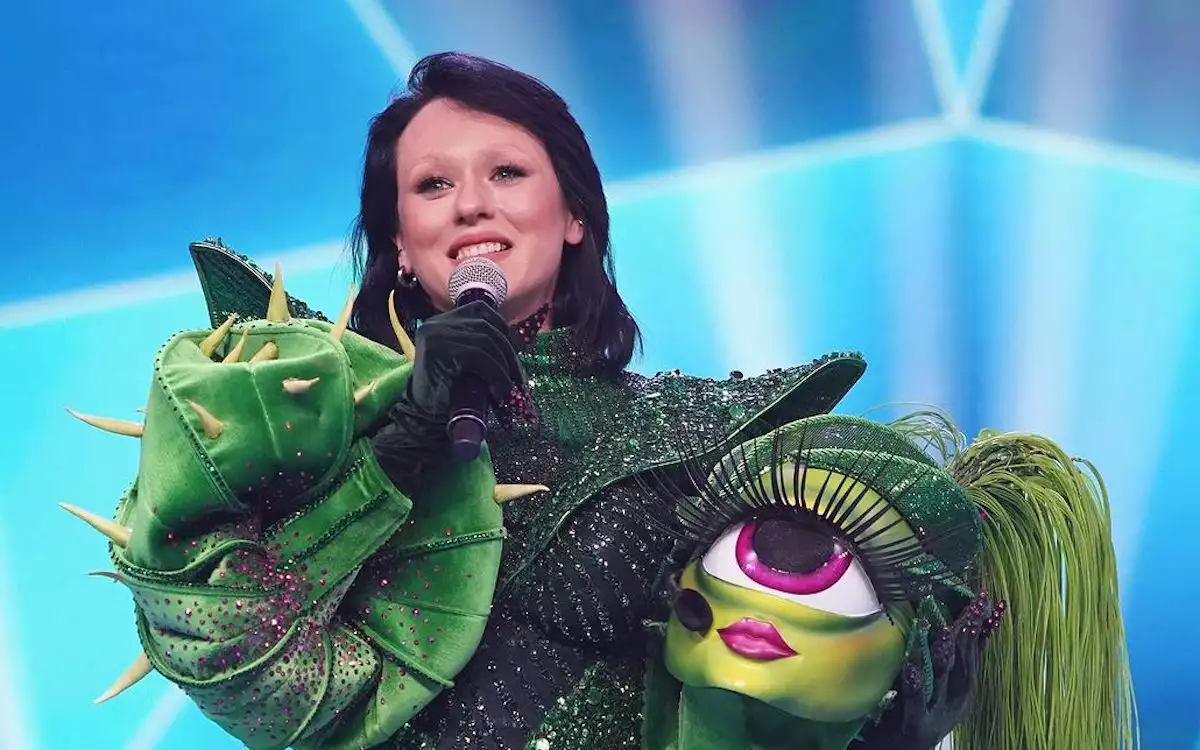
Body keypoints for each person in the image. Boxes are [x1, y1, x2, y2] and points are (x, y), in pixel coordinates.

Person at [63, 52, 1134, 750]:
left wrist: (867, 736)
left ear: (574, 214)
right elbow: (230, 656)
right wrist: (400, 443)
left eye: (507, 174)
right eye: (432, 185)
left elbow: (725, 701)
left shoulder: (704, 440)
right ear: (400, 241)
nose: (470, 204)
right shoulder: (297, 425)